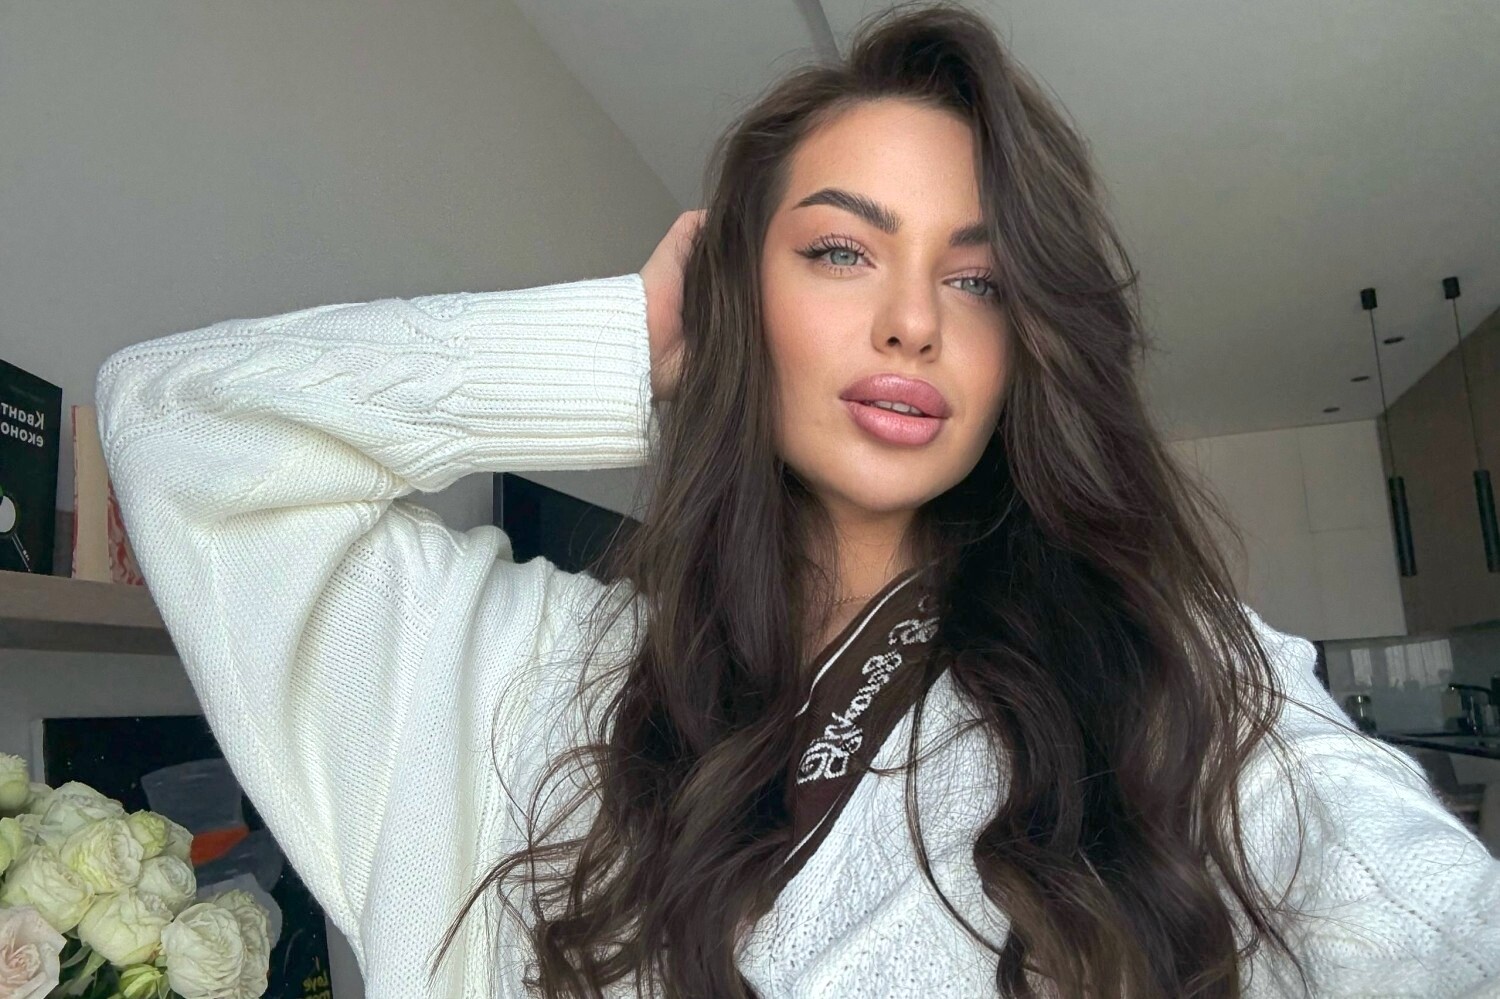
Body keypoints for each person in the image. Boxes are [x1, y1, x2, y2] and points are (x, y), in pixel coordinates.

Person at [92, 3, 1500, 997]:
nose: (913, 322)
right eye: (840, 251)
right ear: (735, 295)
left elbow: (1431, 920)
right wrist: (626, 342)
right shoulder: (518, 675)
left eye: (978, 278)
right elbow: (179, 424)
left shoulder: (1164, 673)